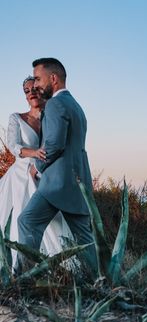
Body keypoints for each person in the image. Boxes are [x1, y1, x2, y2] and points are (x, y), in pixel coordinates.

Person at [17, 58, 97, 276]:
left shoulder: (55, 104)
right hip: (78, 182)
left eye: (39, 79)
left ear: (53, 78)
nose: (36, 85)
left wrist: (38, 167)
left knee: (27, 221)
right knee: (85, 238)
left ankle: (23, 279)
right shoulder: (76, 106)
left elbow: (54, 144)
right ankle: (97, 280)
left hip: (57, 183)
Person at [0, 76, 72, 269]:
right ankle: (20, 269)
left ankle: (59, 267)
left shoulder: (52, 116)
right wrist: (34, 153)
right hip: (21, 177)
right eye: (26, 90)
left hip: (46, 174)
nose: (31, 92)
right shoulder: (17, 118)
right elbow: (13, 145)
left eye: (34, 88)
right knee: (20, 220)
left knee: (55, 222)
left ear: (43, 90)